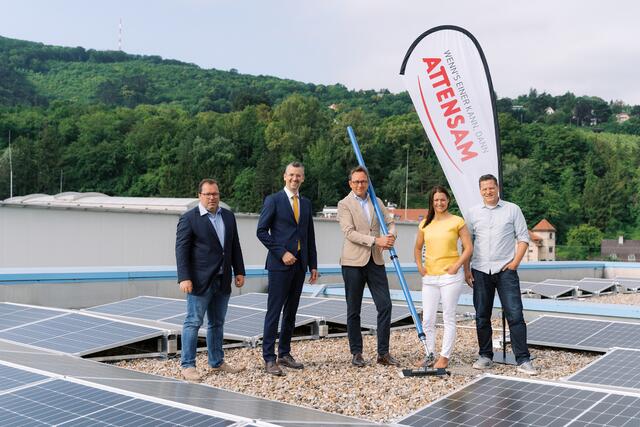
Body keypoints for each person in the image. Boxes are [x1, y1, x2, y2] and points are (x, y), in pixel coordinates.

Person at [464, 174, 537, 375]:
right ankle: (485, 356)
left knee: (515, 315)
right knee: (481, 316)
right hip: (480, 270)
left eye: (491, 188)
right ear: (480, 191)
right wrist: (466, 269)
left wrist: (514, 264)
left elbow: (523, 238)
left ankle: (523, 359)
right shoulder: (472, 213)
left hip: (506, 271)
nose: (488, 191)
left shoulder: (512, 209)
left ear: (497, 188)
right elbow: (467, 243)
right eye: (484, 189)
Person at [176, 178, 246, 382]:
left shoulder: (228, 216)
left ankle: (217, 361)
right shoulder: (189, 219)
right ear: (200, 196)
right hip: (199, 281)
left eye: (215, 194)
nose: (212, 197)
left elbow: (234, 246)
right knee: (193, 321)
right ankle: (188, 365)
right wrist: (184, 277)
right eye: (207, 194)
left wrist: (239, 270)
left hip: (223, 279)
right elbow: (181, 250)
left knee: (217, 323)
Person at [257, 162, 318, 376]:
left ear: (303, 178)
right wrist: (282, 252)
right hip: (279, 265)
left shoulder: (306, 203)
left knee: (291, 312)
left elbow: (309, 235)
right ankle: (269, 358)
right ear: (285, 176)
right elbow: (261, 231)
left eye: (298, 176)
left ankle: (284, 353)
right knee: (274, 312)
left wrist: (313, 265)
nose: (295, 179)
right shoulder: (273, 200)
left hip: (300, 265)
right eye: (291, 175)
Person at [337, 165, 399, 368]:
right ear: (350, 183)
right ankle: (356, 353)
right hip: (353, 262)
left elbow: (390, 222)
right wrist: (376, 241)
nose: (360, 185)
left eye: (363, 181)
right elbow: (349, 232)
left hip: (376, 261)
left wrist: (391, 236)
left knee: (385, 305)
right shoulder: (344, 204)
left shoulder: (376, 201)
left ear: (368, 182)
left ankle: (383, 353)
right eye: (356, 181)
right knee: (353, 309)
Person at [414, 186, 473, 369]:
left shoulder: (457, 221)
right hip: (430, 277)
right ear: (432, 202)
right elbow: (417, 248)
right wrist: (420, 267)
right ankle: (429, 354)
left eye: (443, 199)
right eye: (436, 200)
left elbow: (468, 247)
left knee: (448, 316)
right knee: (428, 319)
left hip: (450, 276)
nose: (439, 203)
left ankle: (444, 357)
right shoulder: (424, 224)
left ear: (448, 201)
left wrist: (457, 266)